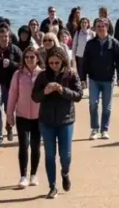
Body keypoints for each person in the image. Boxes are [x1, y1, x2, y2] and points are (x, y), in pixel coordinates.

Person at [31, 46, 83, 199]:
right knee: (50, 154)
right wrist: (45, 92)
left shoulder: (71, 74)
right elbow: (34, 97)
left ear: (63, 61)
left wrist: (62, 90)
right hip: (46, 121)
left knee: (65, 155)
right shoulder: (42, 76)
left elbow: (78, 95)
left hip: (65, 120)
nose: (54, 65)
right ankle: (52, 186)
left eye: (57, 63)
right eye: (51, 63)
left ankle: (65, 172)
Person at [8, 46, 43, 189]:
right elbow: (12, 95)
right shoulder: (18, 75)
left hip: (38, 116)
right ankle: (23, 176)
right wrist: (9, 114)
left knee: (35, 146)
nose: (29, 60)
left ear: (37, 58)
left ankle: (33, 175)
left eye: (32, 57)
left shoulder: (42, 74)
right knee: (23, 145)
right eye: (27, 57)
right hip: (22, 115)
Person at [84, 18, 119, 140]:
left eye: (103, 26)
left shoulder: (114, 43)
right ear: (95, 28)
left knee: (107, 107)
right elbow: (85, 62)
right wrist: (82, 78)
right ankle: (94, 129)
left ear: (107, 27)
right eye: (98, 26)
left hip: (108, 79)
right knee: (93, 104)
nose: (100, 28)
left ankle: (104, 130)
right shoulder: (90, 44)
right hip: (94, 79)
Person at [0, 27, 22, 147]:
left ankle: (9, 126)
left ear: (9, 37)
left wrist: (12, 64)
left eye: (6, 36)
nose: (4, 39)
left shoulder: (15, 50)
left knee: (9, 110)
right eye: (1, 37)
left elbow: (23, 65)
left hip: (11, 84)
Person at [72, 18, 93, 89]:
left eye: (85, 22)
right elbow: (74, 46)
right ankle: (83, 89)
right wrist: (73, 57)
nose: (84, 24)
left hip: (90, 57)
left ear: (88, 24)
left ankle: (91, 88)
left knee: (90, 73)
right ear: (80, 24)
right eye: (82, 23)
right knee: (81, 74)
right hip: (80, 56)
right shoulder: (77, 33)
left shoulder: (92, 33)